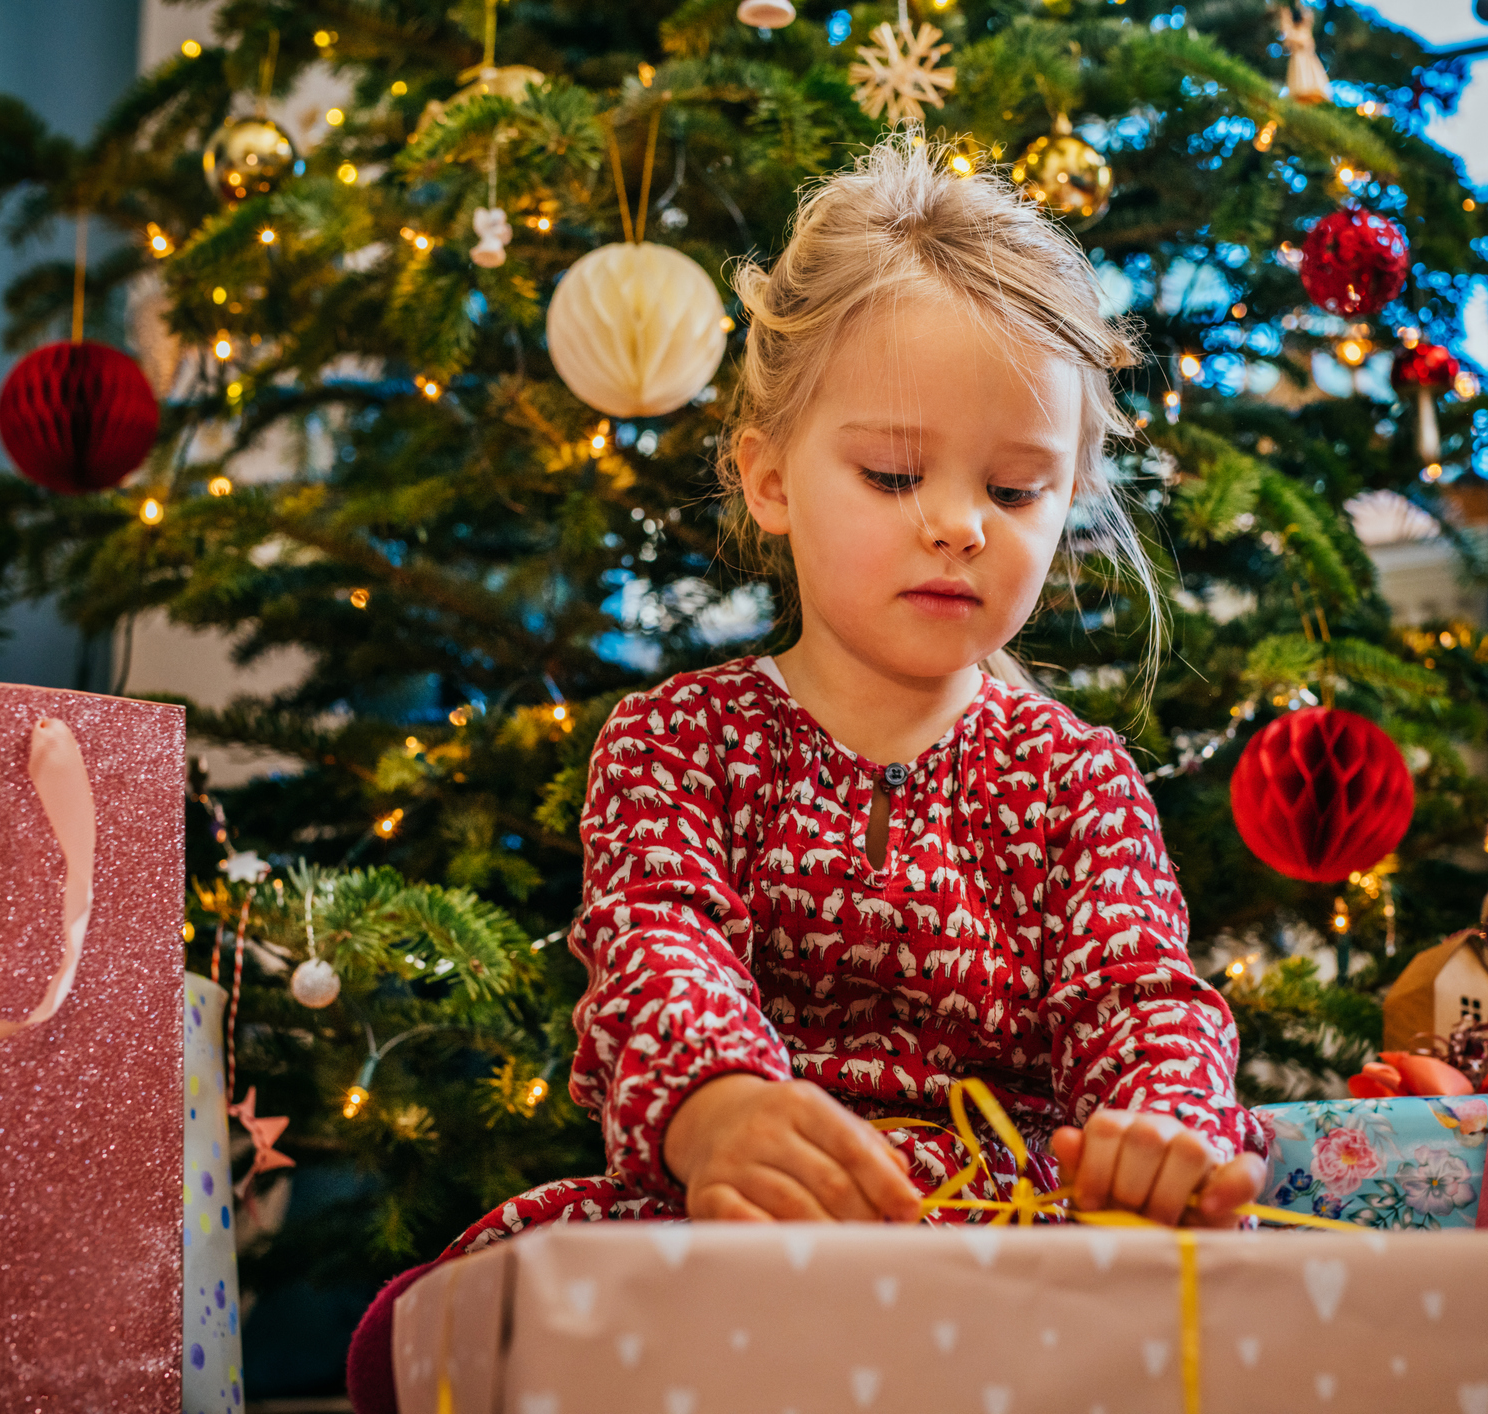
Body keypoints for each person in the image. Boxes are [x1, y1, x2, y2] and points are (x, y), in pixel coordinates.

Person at [345, 137, 1265, 1411]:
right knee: (461, 1327)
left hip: (1017, 1246)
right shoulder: (677, 743)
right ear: (770, 477)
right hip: (745, 1214)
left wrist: (1163, 1129)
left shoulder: (1077, 778)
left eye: (1016, 487)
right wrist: (717, 1107)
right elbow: (659, 944)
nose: (959, 522)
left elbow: (1141, 997)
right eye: (893, 473)